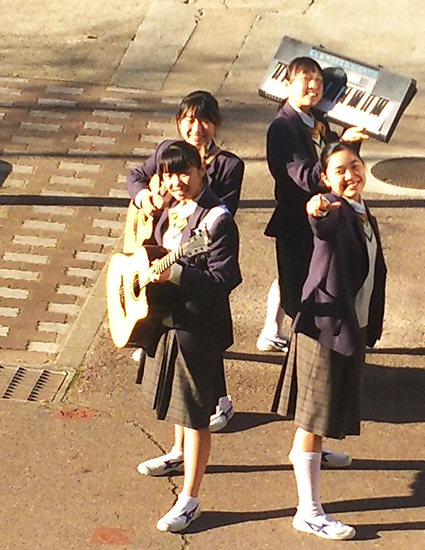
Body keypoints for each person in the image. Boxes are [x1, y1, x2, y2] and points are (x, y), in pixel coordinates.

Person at [271, 142, 387, 540]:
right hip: (325, 331)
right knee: (312, 419)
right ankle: (308, 510)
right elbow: (320, 224)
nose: (349, 175)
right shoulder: (334, 210)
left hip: (348, 326)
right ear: (324, 179)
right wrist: (315, 209)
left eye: (355, 166)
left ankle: (313, 454)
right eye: (339, 170)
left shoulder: (362, 211)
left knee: (318, 417)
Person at [133, 141, 242, 532]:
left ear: (202, 171)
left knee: (196, 415)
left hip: (198, 326)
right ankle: (177, 454)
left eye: (185, 172)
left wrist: (174, 274)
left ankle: (190, 499)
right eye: (168, 173)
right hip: (166, 318)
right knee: (176, 402)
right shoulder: (169, 207)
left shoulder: (217, 220)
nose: (176, 181)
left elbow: (225, 279)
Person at [126, 90, 243, 432]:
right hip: (159, 251)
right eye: (189, 119)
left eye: (204, 120)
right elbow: (135, 177)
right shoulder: (167, 151)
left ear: (217, 124)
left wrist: (191, 191)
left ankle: (218, 402)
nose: (196, 127)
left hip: (198, 256)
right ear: (179, 123)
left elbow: (224, 212)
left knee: (202, 329)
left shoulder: (228, 165)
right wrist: (147, 197)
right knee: (171, 330)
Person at [257, 56, 367, 355]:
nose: (314, 85)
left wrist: (348, 145)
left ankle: (273, 331)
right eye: (306, 78)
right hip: (299, 221)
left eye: (318, 79)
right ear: (288, 84)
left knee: (299, 278)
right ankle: (305, 355)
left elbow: (334, 163)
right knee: (303, 289)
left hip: (321, 218)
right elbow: (305, 177)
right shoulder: (283, 128)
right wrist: (342, 144)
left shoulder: (317, 121)